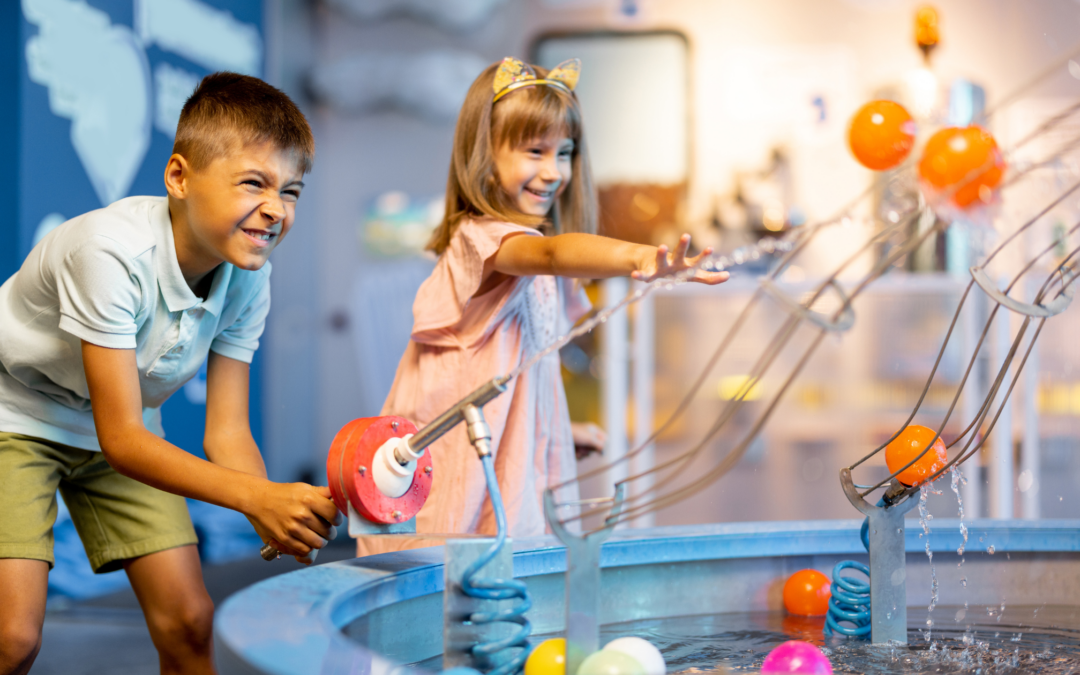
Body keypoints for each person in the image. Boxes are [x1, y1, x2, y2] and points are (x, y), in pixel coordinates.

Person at [0, 72, 340, 675]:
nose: (275, 209)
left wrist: (272, 518)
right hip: (15, 416)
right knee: (13, 638)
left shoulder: (249, 277)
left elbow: (227, 433)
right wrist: (259, 497)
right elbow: (124, 440)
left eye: (291, 191)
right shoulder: (108, 253)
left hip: (113, 429)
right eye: (254, 183)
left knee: (189, 621)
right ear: (179, 177)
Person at [357, 57, 727, 557]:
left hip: (500, 458)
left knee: (508, 577)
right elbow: (552, 255)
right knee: (449, 569)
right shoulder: (484, 241)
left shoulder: (530, 253)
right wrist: (640, 255)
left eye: (566, 152)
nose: (554, 172)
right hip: (456, 465)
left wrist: (551, 423)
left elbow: (514, 371)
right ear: (484, 153)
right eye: (535, 151)